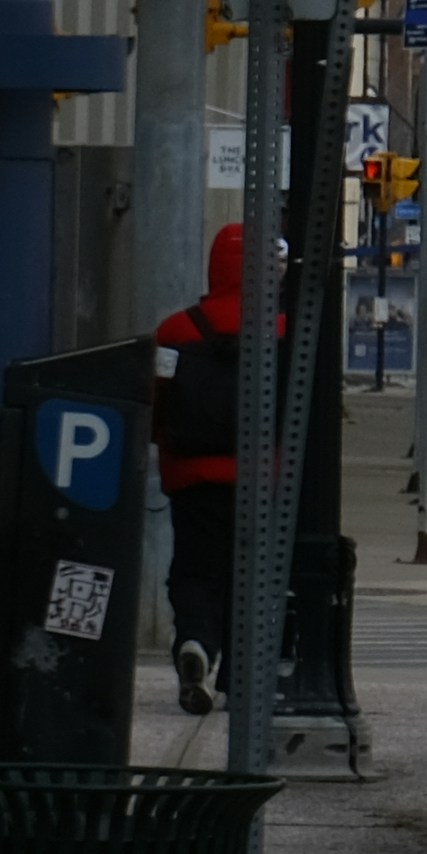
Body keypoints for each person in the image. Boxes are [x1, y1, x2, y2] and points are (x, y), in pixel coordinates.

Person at [150, 220, 252, 715]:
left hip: (191, 475)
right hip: (261, 478)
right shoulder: (280, 326)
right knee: (250, 575)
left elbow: (155, 402)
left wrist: (162, 440)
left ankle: (195, 641)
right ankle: (238, 674)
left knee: (192, 570)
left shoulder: (176, 330)